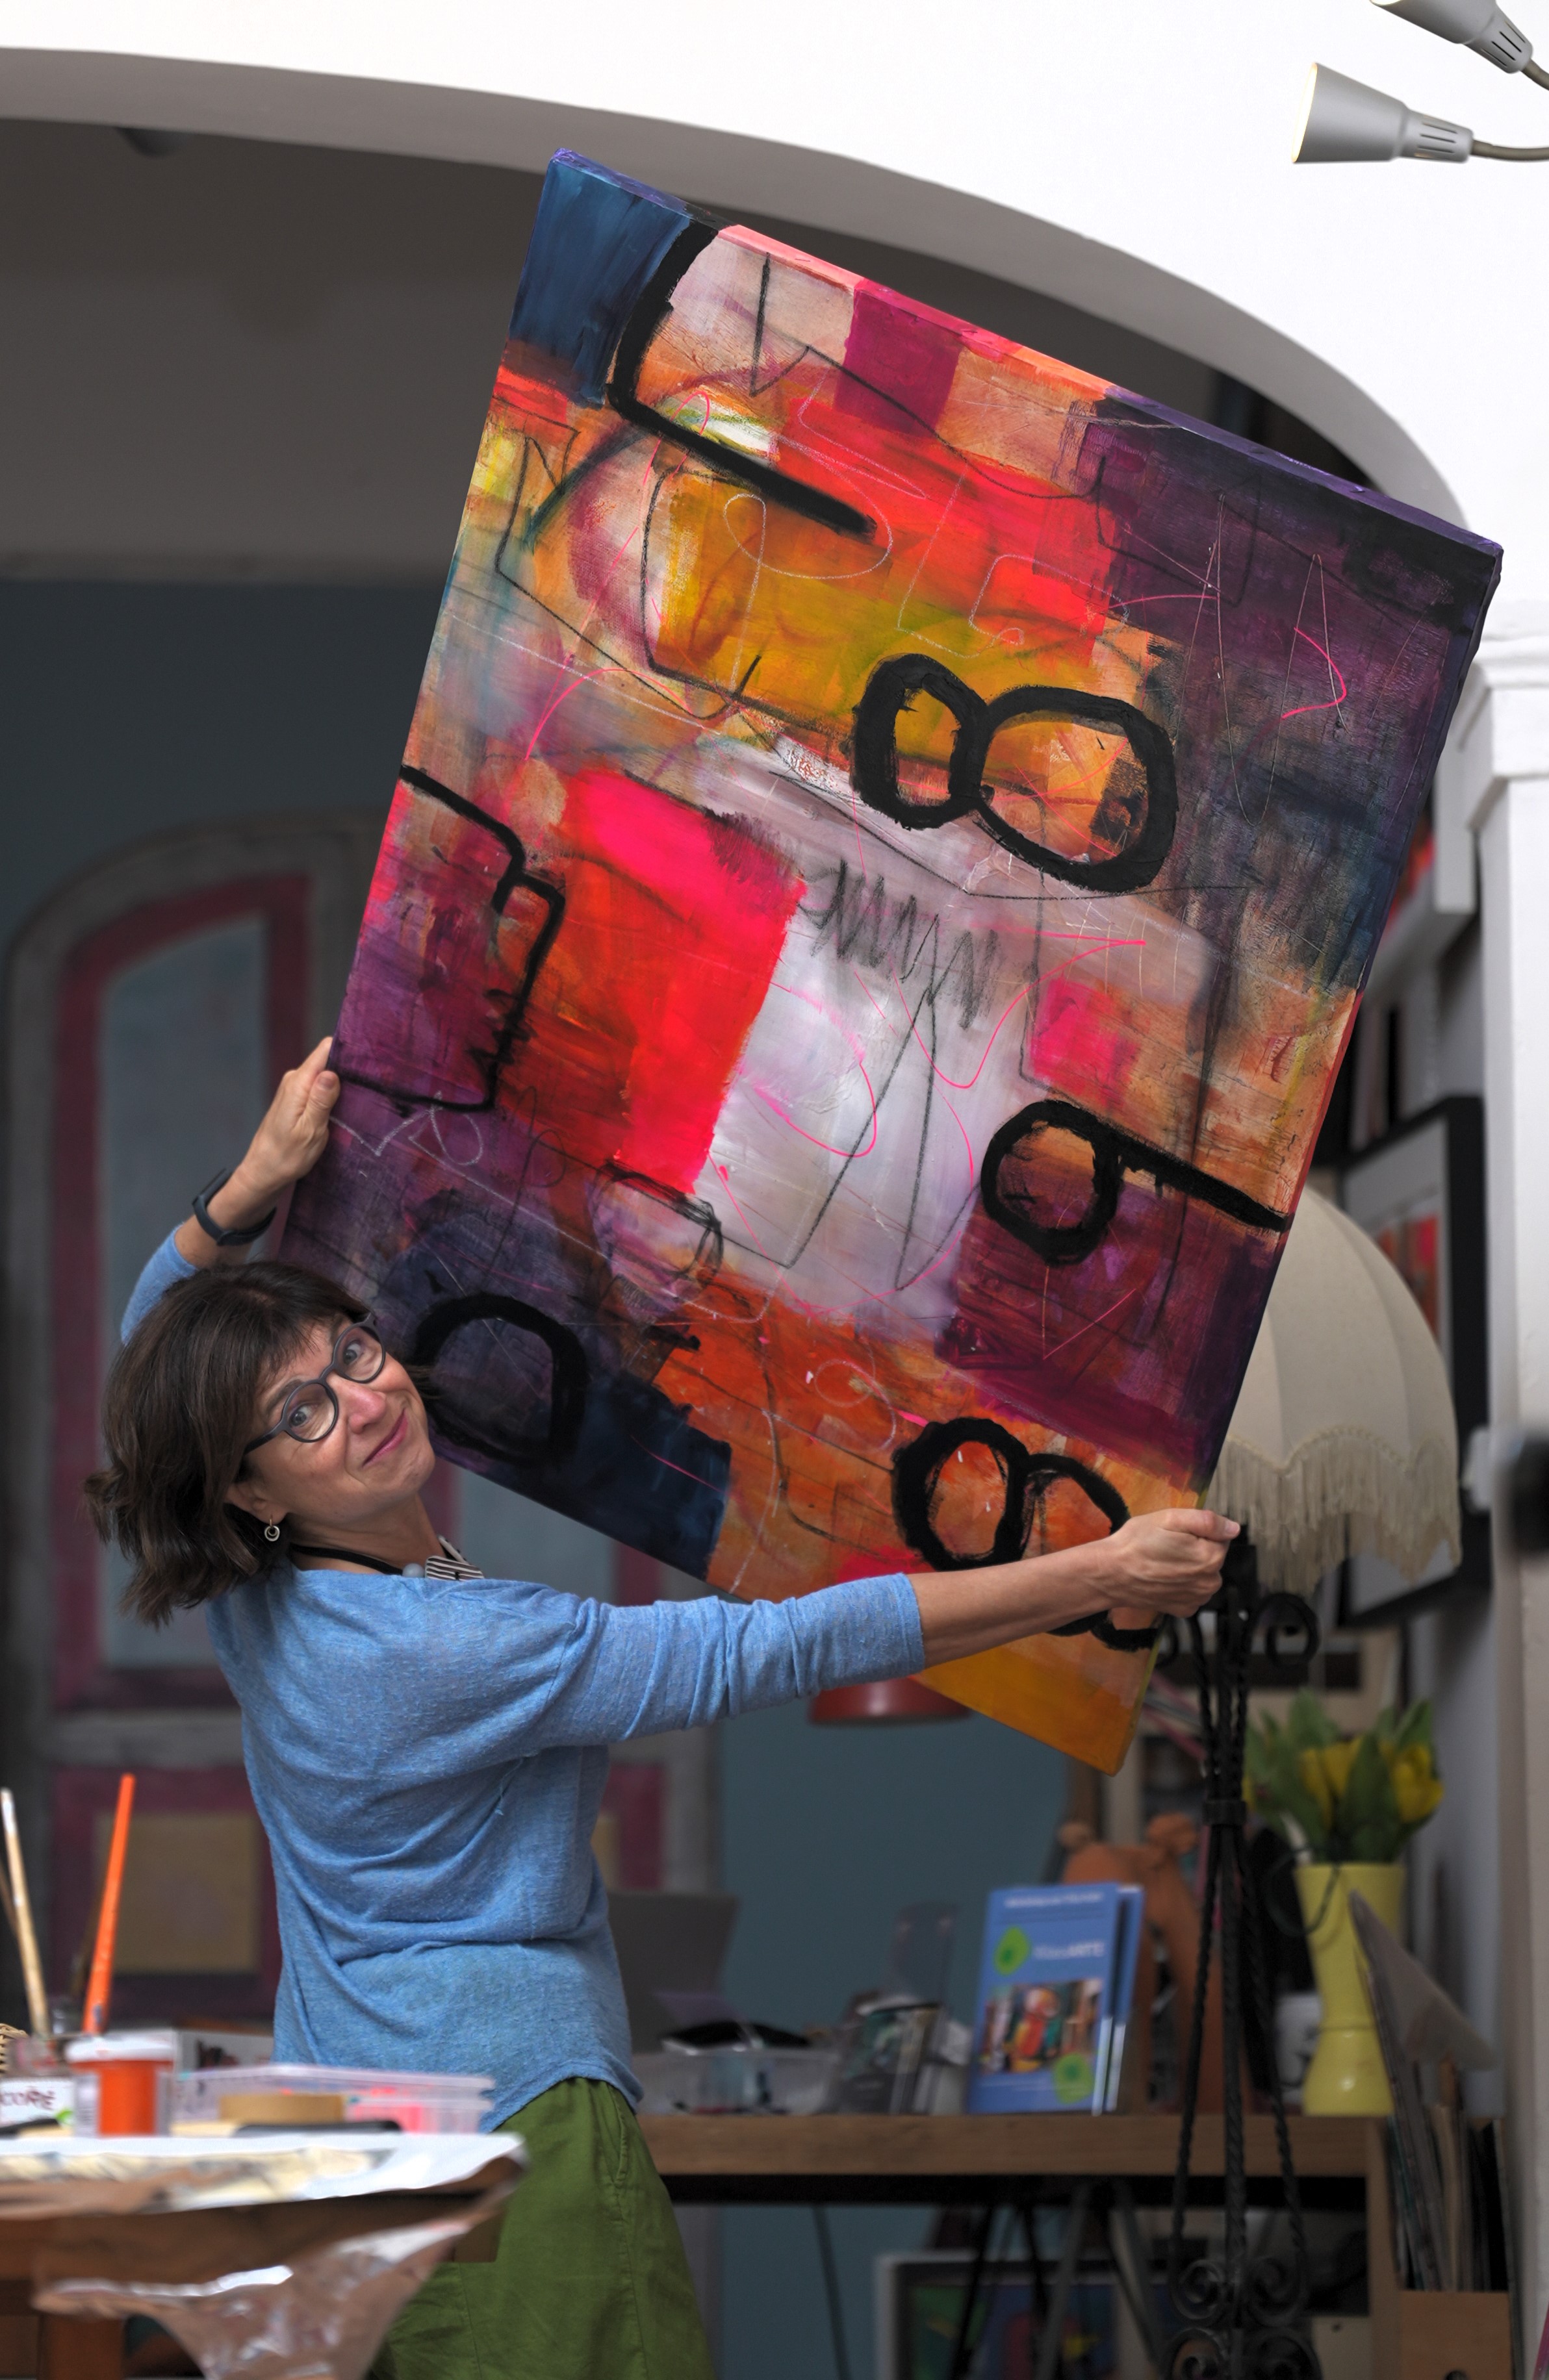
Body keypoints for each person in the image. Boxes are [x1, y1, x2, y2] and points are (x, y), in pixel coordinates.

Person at [88, 1038, 1236, 2380]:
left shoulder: (259, 1598)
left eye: (351, 1351)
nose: (365, 1398)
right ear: (249, 1487)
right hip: (514, 2133)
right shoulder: (447, 1648)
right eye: (304, 1411)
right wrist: (1094, 1574)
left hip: (351, 2153)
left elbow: (154, 1365)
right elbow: (781, 1644)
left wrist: (249, 1187)